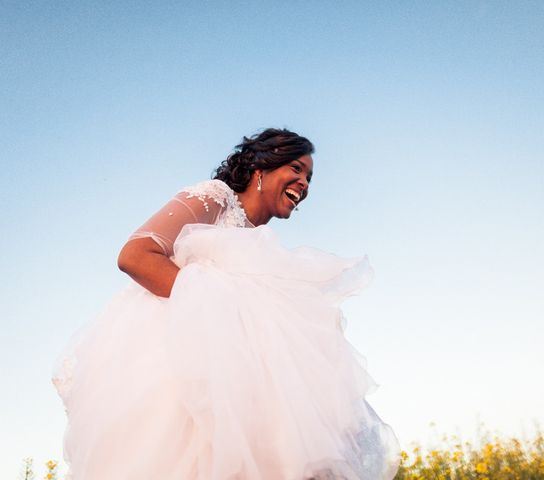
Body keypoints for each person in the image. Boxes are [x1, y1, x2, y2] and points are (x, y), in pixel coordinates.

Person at [52, 128, 399, 480]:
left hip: (241, 382)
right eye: (295, 169)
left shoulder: (262, 245)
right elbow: (136, 255)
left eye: (309, 177)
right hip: (180, 366)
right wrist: (220, 313)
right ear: (261, 169)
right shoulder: (215, 198)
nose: (304, 183)